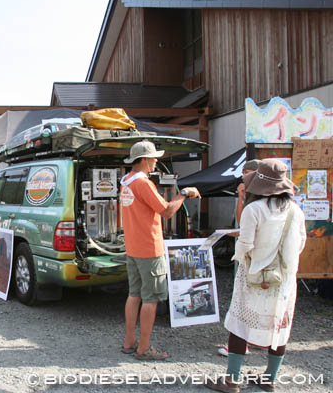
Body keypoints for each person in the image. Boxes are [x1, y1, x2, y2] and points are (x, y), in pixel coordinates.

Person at [205, 159, 306, 393]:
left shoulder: (254, 209)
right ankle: (269, 378)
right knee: (279, 325)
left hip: (253, 275)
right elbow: (301, 242)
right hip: (284, 278)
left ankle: (232, 380)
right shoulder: (295, 210)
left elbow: (245, 244)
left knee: (240, 325)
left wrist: (243, 258)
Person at [119, 141, 201, 361]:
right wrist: (184, 193)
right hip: (149, 248)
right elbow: (167, 211)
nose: (156, 161)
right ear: (145, 160)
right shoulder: (143, 183)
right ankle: (144, 348)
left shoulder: (126, 181)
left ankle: (129, 341)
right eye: (154, 157)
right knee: (151, 298)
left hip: (133, 246)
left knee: (134, 294)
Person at [218, 158, 261, 357]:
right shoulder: (271, 199)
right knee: (257, 299)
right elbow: (240, 220)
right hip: (264, 256)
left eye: (246, 173)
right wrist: (242, 196)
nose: (243, 177)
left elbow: (243, 225)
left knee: (244, 301)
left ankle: (241, 345)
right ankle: (259, 340)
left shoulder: (259, 200)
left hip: (253, 255)